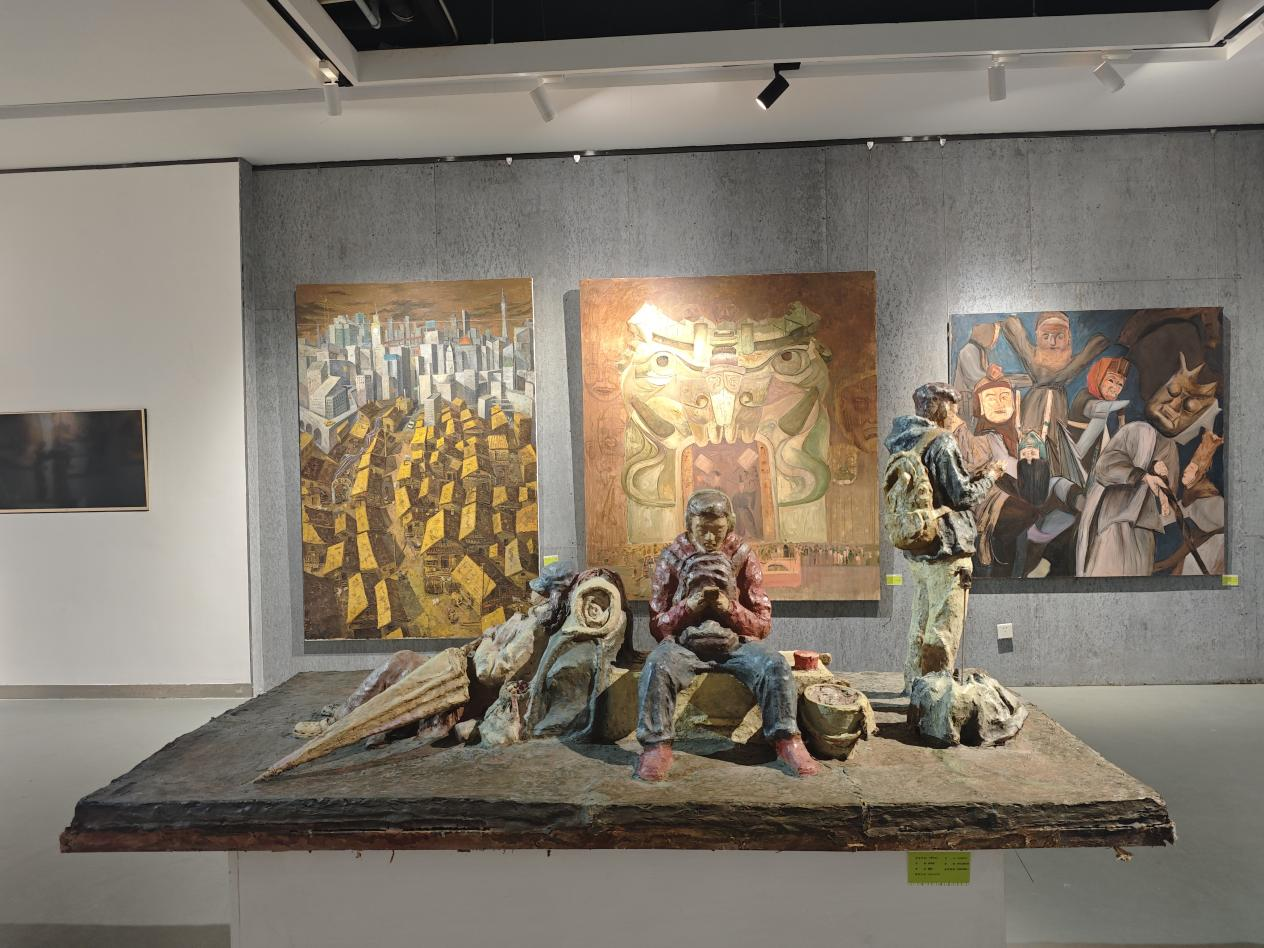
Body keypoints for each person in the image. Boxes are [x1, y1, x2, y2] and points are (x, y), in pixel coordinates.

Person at [633, 488, 820, 781]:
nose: (710, 538)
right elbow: (658, 625)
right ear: (689, 525)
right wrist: (689, 607)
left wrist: (728, 607)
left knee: (774, 666)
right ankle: (656, 746)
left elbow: (762, 624)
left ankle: (787, 741)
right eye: (702, 530)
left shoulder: (742, 555)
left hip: (735, 644)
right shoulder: (672, 557)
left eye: (717, 531)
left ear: (729, 526)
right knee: (657, 666)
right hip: (685, 645)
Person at [884, 383, 1004, 692]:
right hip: (948, 547)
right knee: (944, 626)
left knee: (921, 621)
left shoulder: (903, 440)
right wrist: (991, 476)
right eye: (952, 407)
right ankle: (936, 695)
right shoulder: (941, 441)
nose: (955, 414)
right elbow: (963, 496)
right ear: (938, 405)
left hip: (919, 545)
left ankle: (915, 684)